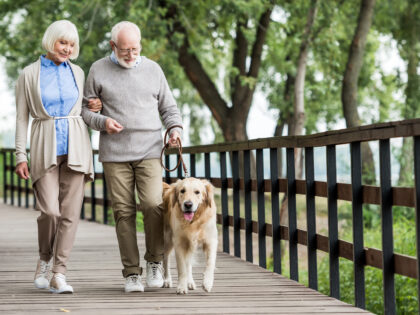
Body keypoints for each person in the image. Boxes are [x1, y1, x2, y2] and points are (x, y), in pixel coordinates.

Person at [82, 21, 182, 293]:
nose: (130, 55)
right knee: (123, 211)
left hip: (149, 149)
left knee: (152, 204)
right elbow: (85, 110)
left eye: (135, 49)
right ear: (113, 46)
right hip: (115, 153)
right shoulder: (98, 69)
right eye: (125, 50)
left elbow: (169, 108)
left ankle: (154, 262)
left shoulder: (153, 69)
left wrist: (174, 130)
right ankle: (131, 273)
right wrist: (103, 122)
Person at [15, 20, 100, 294]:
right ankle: (44, 259)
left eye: (72, 44)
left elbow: (80, 104)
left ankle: (59, 273)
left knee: (70, 214)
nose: (67, 48)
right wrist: (20, 155)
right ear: (51, 40)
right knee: (50, 211)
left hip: (76, 145)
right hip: (44, 146)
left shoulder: (77, 71)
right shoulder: (29, 74)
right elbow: (21, 118)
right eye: (63, 42)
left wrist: (93, 104)